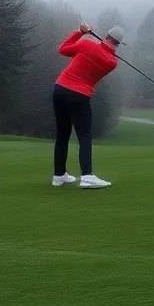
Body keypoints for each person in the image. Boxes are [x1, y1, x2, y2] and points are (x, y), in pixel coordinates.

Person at [51, 22, 123, 189]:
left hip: (60, 89)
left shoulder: (86, 44)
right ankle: (87, 176)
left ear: (106, 36)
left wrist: (79, 32)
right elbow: (104, 54)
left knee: (63, 134)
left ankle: (59, 175)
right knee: (84, 135)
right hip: (80, 95)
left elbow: (63, 49)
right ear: (118, 44)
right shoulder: (112, 62)